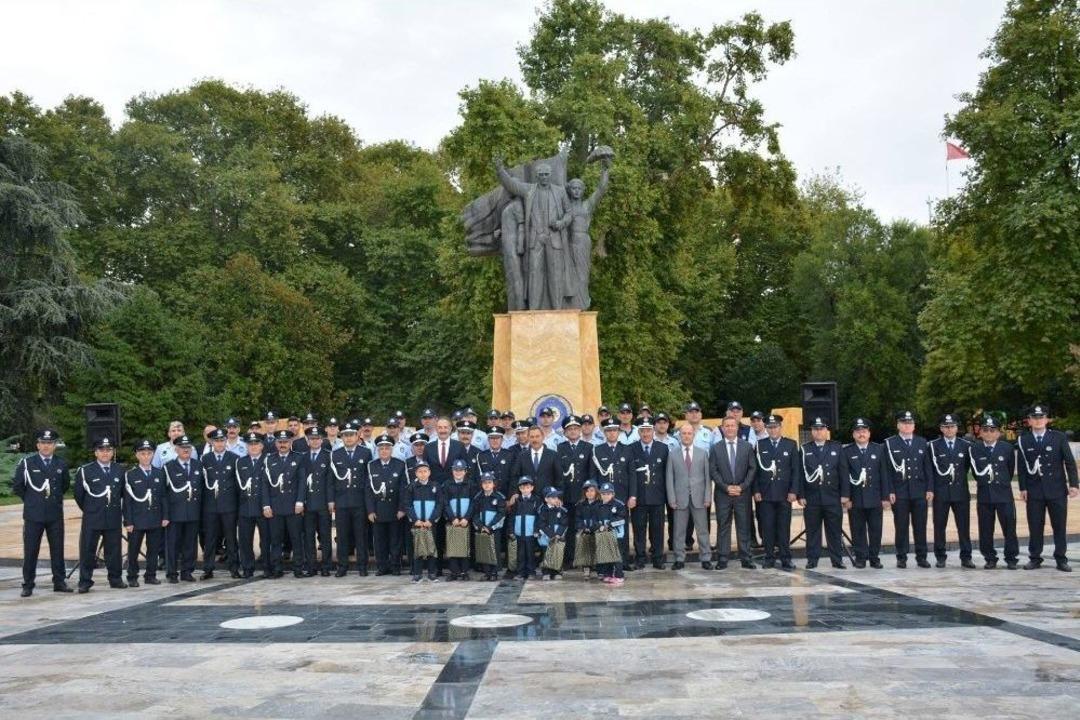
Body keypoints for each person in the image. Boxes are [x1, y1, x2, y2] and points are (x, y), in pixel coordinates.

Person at [1017, 404, 1078, 572]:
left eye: (1041, 417)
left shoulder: (1058, 437)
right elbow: (1021, 467)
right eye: (1034, 418)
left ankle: (1061, 558)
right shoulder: (1024, 440)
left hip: (1057, 489)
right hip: (1034, 490)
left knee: (1059, 525)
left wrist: (1074, 484)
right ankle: (1035, 558)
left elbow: (1069, 462)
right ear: (1029, 421)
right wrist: (1023, 487)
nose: (1038, 421)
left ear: (1047, 419)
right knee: (1035, 525)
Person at [12, 428, 72, 596]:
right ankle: (28, 584)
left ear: (55, 445)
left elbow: (64, 485)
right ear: (38, 445)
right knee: (31, 550)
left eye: (50, 443)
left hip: (54, 514)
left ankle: (59, 582)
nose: (46, 446)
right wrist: (32, 501)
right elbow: (18, 486)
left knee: (57, 550)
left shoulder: (60, 464)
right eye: (43, 443)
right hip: (33, 515)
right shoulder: (27, 463)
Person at [74, 436, 126, 593]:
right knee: (88, 550)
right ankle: (85, 581)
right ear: (95, 452)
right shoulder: (85, 471)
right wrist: (91, 509)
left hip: (113, 516)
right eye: (101, 450)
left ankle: (115, 579)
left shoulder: (120, 470)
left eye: (108, 450)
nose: (105, 453)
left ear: (113, 452)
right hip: (93, 517)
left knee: (114, 550)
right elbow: (79, 495)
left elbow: (123, 493)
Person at [883, 410, 934, 569]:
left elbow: (928, 468)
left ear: (914, 425)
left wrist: (930, 488)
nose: (907, 425)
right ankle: (901, 557)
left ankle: (922, 557)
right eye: (904, 423)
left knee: (920, 526)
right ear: (898, 425)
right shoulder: (890, 443)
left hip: (919, 491)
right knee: (901, 526)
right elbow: (887, 470)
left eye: (910, 423)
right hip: (900, 492)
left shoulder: (921, 442)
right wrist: (889, 490)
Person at [970, 416, 1019, 569]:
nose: (989, 433)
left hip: (1004, 494)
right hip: (985, 495)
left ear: (999, 433)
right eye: (985, 430)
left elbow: (1009, 471)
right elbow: (976, 472)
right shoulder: (975, 448)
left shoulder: (1007, 448)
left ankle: (1011, 558)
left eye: (993, 430)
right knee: (985, 529)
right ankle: (990, 558)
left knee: (1009, 528)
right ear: (981, 433)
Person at [798, 417, 846, 569]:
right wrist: (801, 495)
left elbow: (843, 473)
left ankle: (837, 559)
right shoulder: (805, 449)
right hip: (812, 498)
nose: (818, 432)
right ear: (812, 431)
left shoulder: (837, 447)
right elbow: (799, 474)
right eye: (815, 429)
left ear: (827, 431)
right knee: (813, 531)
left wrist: (845, 494)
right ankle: (812, 559)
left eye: (821, 429)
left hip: (832, 496)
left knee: (834, 530)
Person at [840, 418, 888, 569]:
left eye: (864, 431)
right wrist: (846, 497)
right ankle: (860, 557)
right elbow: (844, 476)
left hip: (875, 497)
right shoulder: (846, 451)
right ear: (853, 434)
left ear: (869, 433)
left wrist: (885, 497)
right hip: (856, 498)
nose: (861, 434)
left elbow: (884, 475)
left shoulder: (879, 449)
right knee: (857, 529)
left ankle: (874, 558)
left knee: (876, 529)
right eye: (858, 431)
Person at [753, 414, 798, 570]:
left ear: (780, 427)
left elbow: (795, 470)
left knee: (784, 527)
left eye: (775, 427)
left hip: (784, 494)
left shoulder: (791, 445)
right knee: (767, 527)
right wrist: (756, 491)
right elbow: (755, 471)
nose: (773, 430)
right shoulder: (759, 445)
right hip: (765, 494)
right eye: (770, 427)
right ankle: (769, 557)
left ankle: (786, 557)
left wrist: (793, 491)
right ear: (766, 428)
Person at [930, 413, 975, 569]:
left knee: (963, 527)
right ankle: (940, 556)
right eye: (946, 427)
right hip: (941, 492)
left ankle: (966, 557)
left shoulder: (966, 445)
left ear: (957, 428)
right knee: (939, 526)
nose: (949, 429)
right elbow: (931, 470)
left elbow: (967, 467)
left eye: (952, 426)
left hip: (960, 492)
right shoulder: (933, 446)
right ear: (941, 428)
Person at [709, 416, 755, 569]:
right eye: (726, 426)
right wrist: (725, 487)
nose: (729, 428)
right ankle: (722, 558)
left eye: (732, 425)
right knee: (723, 526)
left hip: (743, 494)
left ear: (737, 428)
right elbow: (713, 470)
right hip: (723, 494)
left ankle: (746, 558)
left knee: (744, 526)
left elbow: (752, 469)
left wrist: (742, 486)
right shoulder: (716, 448)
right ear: (722, 428)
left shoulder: (747, 446)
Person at [122, 439, 169, 587]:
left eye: (149, 453)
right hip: (137, 519)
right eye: (143, 454)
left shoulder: (159, 473)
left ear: (153, 455)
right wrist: (128, 521)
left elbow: (163, 497)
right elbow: (127, 501)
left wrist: (165, 516)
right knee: (133, 550)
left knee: (153, 550)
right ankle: (132, 575)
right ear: (137, 455)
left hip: (155, 518)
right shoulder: (130, 475)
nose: (146, 456)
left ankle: (150, 575)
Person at [665, 423, 712, 570]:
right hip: (680, 499)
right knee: (679, 531)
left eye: (689, 433)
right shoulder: (673, 454)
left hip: (699, 498)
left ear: (693, 435)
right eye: (683, 433)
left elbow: (707, 477)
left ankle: (706, 558)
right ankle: (679, 558)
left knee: (702, 530)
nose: (686, 436)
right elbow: (669, 478)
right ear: (679, 436)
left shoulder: (702, 453)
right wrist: (671, 498)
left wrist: (707, 497)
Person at [262, 429, 305, 579]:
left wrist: (300, 501)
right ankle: (277, 569)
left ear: (291, 443)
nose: (282, 445)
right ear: (275, 443)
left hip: (294, 505)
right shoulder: (269, 459)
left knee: (296, 539)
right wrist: (266, 505)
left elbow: (301, 481)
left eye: (285, 442)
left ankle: (298, 569)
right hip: (275, 507)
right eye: (280, 442)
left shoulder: (298, 458)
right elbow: (265, 484)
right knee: (276, 540)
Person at [592, 418, 635, 568]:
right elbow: (594, 476)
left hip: (622, 497)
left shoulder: (627, 449)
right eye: (608, 431)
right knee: (605, 530)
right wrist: (596, 496)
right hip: (604, 499)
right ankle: (606, 562)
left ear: (618, 432)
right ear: (604, 432)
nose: (611, 433)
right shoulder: (598, 450)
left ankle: (623, 562)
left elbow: (632, 475)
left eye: (614, 430)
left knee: (621, 529)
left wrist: (633, 495)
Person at [331, 420, 372, 577]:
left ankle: (362, 566)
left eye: (351, 435)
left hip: (360, 501)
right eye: (345, 435)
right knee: (342, 536)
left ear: (358, 435)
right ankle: (342, 566)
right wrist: (332, 500)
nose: (348, 438)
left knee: (361, 535)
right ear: (342, 437)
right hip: (341, 501)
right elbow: (331, 480)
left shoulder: (365, 453)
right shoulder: (336, 454)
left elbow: (369, 479)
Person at [201, 428, 239, 580]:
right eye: (216, 441)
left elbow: (238, 484)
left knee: (231, 538)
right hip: (210, 506)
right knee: (210, 539)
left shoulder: (234, 458)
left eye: (222, 440)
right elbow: (202, 484)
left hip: (229, 506)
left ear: (225, 441)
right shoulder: (205, 459)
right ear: (212, 442)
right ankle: (208, 569)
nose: (220, 443)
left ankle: (234, 568)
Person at [630, 416, 669, 569]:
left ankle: (657, 558)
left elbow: (666, 474)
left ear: (653, 431)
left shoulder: (663, 448)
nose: (645, 434)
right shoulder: (631, 449)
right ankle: (640, 558)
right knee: (639, 529)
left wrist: (667, 496)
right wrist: (632, 495)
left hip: (657, 496)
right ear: (638, 432)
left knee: (657, 529)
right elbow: (631, 474)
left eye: (648, 430)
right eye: (642, 431)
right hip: (639, 497)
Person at [555, 415, 592, 568]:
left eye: (576, 428)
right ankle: (569, 558)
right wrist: (559, 494)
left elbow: (591, 474)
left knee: (584, 528)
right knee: (568, 528)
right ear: (565, 432)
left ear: (580, 430)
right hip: (567, 495)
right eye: (570, 429)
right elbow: (558, 474)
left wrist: (590, 493)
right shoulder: (560, 448)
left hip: (583, 496)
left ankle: (585, 559)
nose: (573, 431)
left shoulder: (588, 447)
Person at [163, 435, 202, 582]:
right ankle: (172, 573)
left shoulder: (198, 465)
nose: (186, 450)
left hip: (193, 512)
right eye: (182, 448)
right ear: (176, 449)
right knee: (173, 544)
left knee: (190, 543)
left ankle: (187, 571)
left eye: (188, 448)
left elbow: (202, 490)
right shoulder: (168, 467)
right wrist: (166, 514)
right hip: (175, 513)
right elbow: (164, 494)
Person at [366, 434, 406, 576]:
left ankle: (395, 566)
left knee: (395, 540)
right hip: (378, 510)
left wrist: (402, 508)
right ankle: (382, 567)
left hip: (395, 509)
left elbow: (403, 489)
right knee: (379, 541)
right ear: (377, 450)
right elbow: (369, 490)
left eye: (387, 448)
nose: (384, 451)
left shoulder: (400, 465)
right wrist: (370, 510)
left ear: (391, 449)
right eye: (381, 448)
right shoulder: (371, 466)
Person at [300, 426, 334, 577]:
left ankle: (326, 566)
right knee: (308, 536)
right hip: (308, 504)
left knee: (325, 536)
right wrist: (300, 502)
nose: (314, 441)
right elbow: (300, 482)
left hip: (323, 503)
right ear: (308, 441)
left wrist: (331, 501)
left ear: (322, 440)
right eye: (311, 439)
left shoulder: (328, 456)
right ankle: (311, 566)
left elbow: (330, 481)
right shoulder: (302, 457)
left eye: (317, 438)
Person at [236, 431, 269, 578]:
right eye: (250, 444)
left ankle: (268, 567)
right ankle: (248, 568)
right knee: (244, 540)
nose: (253, 447)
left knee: (267, 539)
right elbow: (237, 487)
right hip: (245, 507)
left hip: (264, 507)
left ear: (262, 446)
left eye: (256, 444)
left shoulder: (269, 460)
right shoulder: (240, 462)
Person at [402, 460, 442, 582]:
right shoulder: (411, 487)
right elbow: (407, 505)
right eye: (420, 471)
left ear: (429, 472)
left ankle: (432, 572)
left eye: (425, 471)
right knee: (417, 548)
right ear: (416, 473)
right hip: (418, 523)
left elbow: (439, 504)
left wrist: (431, 520)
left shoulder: (435, 486)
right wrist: (415, 520)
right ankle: (417, 573)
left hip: (430, 523)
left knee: (432, 548)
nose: (423, 474)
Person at [441, 458, 474, 581]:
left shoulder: (470, 484)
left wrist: (467, 518)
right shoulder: (447, 484)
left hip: (465, 520)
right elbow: (445, 503)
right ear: (452, 471)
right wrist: (452, 518)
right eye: (456, 470)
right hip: (452, 521)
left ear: (465, 471)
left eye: (461, 470)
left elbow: (473, 503)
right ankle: (454, 571)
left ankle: (464, 571)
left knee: (465, 546)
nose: (458, 472)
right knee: (452, 546)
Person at [471, 472, 506, 581]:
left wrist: (490, 527)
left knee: (494, 549)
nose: (487, 485)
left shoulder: (499, 497)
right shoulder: (478, 497)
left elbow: (501, 514)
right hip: (482, 529)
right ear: (481, 484)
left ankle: (494, 572)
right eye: (484, 483)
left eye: (489, 482)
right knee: (484, 549)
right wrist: (481, 526)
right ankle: (487, 572)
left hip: (494, 529)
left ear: (494, 484)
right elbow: (475, 514)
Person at [508, 476, 542, 580]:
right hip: (519, 532)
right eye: (522, 488)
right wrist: (511, 530)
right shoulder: (516, 501)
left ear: (532, 487)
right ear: (519, 488)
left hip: (530, 532)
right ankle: (521, 572)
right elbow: (512, 517)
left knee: (530, 553)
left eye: (527, 487)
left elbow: (539, 517)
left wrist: (537, 530)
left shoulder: (536, 500)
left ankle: (531, 572)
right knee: (520, 553)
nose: (525, 490)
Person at [510, 425, 560, 493]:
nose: (535, 440)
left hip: (548, 497)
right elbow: (515, 477)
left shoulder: (553, 455)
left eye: (537, 436)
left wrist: (558, 496)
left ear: (543, 437)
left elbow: (559, 478)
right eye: (532, 437)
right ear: (528, 438)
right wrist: (515, 493)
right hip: (528, 498)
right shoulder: (522, 456)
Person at [596, 482, 627, 585]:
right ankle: (608, 574)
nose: (606, 496)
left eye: (608, 493)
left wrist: (609, 524)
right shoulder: (599, 506)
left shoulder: (619, 505)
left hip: (616, 535)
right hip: (604, 535)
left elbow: (622, 519)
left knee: (616, 556)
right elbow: (597, 519)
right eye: (603, 494)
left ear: (613, 494)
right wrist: (599, 526)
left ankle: (619, 575)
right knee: (607, 555)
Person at [424, 417, 469, 486]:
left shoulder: (460, 446)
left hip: (455, 487)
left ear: (450, 428)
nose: (443, 430)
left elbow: (465, 468)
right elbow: (425, 469)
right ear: (436, 429)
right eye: (440, 427)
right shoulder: (428, 447)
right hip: (434, 488)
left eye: (445, 427)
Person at [537, 487, 569, 580]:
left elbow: (564, 523)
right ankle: (546, 572)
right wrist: (551, 535)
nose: (556, 499)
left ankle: (557, 571)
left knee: (557, 553)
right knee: (546, 554)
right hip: (546, 537)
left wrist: (558, 534)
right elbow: (541, 524)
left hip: (558, 537)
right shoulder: (542, 510)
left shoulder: (562, 510)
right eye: (553, 497)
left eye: (556, 497)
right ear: (546, 499)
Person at [476, 427, 514, 498]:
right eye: (492, 438)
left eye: (497, 438)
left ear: (502, 440)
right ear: (488, 440)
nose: (494, 440)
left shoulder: (510, 455)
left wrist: (511, 496)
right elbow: (478, 478)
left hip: (505, 494)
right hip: (487, 495)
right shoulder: (481, 456)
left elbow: (512, 478)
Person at [575, 480, 602, 577]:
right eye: (587, 491)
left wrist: (592, 528)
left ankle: (600, 568)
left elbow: (600, 519)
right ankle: (586, 566)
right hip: (585, 530)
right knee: (583, 539)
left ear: (596, 492)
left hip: (596, 530)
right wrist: (583, 528)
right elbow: (578, 519)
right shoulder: (580, 504)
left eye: (592, 491)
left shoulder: (600, 504)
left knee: (600, 541)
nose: (589, 493)